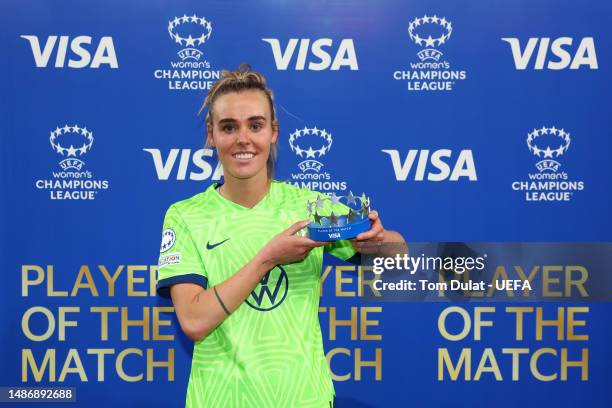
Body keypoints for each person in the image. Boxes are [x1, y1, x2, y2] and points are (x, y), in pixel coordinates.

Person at [156, 64, 405, 407]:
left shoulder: (310, 208)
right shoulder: (185, 215)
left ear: (273, 132)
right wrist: (268, 258)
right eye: (229, 127)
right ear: (211, 135)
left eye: (255, 125)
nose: (243, 139)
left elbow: (399, 257)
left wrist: (379, 241)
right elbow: (194, 321)